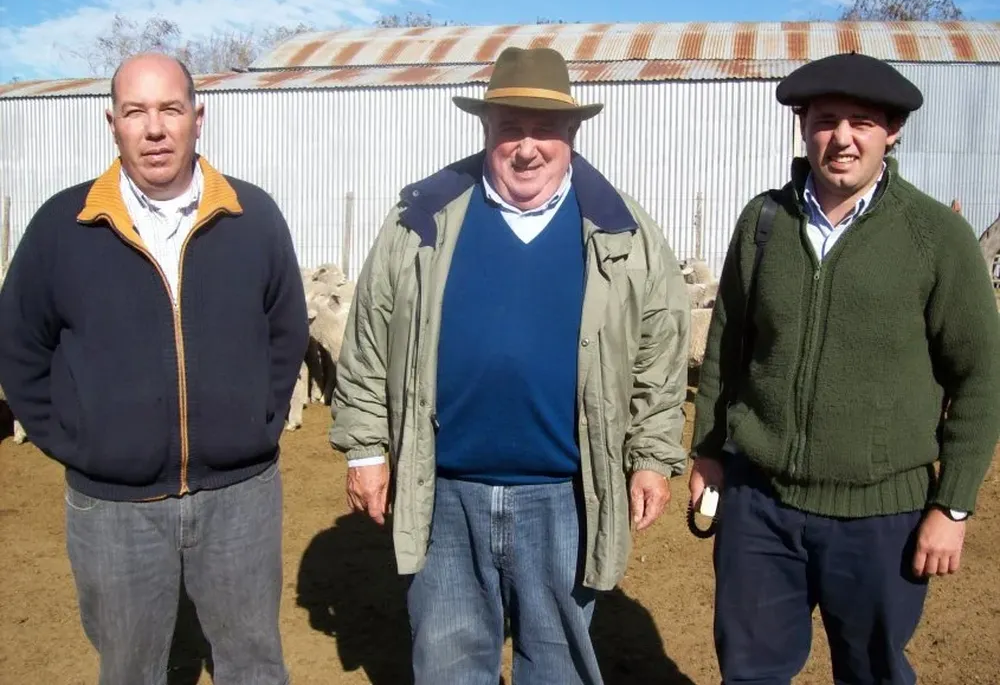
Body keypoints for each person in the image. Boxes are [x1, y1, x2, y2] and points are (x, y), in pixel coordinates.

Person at [329, 46, 691, 685]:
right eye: (509, 128)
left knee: (557, 665)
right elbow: (368, 338)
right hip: (444, 491)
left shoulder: (623, 231)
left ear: (572, 135)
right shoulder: (421, 221)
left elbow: (658, 351)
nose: (527, 147)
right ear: (486, 130)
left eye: (545, 129)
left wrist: (653, 456)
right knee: (447, 663)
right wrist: (365, 450)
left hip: (565, 497)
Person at [689, 52, 1000, 685]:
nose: (843, 138)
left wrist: (954, 506)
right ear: (803, 125)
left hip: (880, 518)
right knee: (749, 673)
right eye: (826, 119)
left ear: (893, 132)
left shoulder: (936, 237)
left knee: (872, 672)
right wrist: (709, 453)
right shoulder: (763, 222)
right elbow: (726, 347)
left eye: (862, 121)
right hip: (760, 505)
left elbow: (979, 379)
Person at [0, 53, 309, 685]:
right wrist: (77, 442)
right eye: (136, 112)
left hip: (240, 498)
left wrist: (257, 424)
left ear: (199, 117)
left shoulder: (254, 218)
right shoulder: (65, 226)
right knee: (130, 668)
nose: (155, 128)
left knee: (253, 662)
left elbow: (286, 332)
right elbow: (19, 346)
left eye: (170, 109)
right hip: (113, 509)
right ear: (111, 123)